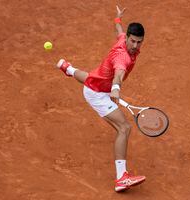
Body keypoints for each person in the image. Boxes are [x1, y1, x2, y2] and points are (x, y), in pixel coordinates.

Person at [55, 5, 146, 192]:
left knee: (90, 78)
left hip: (96, 81)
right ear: (128, 38)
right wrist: (115, 87)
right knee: (124, 127)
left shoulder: (123, 39)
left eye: (139, 42)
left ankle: (68, 69)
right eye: (133, 41)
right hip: (98, 94)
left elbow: (118, 31)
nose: (135, 46)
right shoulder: (123, 57)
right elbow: (119, 73)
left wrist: (118, 19)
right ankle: (121, 178)